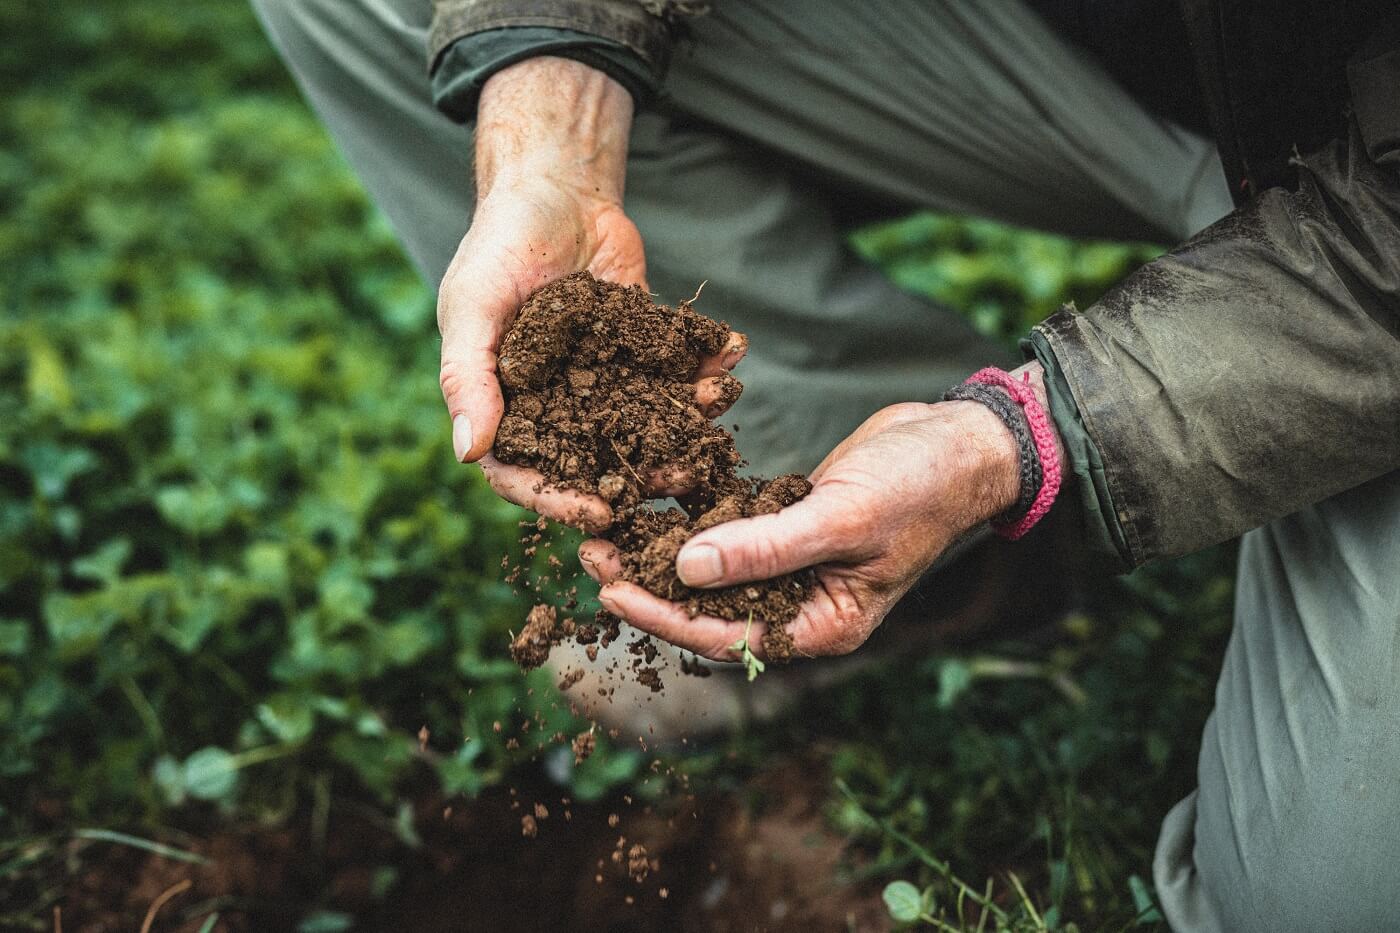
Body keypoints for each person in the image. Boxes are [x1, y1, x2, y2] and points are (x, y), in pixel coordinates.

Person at [251, 1, 1400, 928]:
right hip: (1123, 67)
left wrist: (1016, 438)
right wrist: (553, 135)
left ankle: (944, 510)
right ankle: (874, 546)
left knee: (1315, 906)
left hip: (1370, 238)